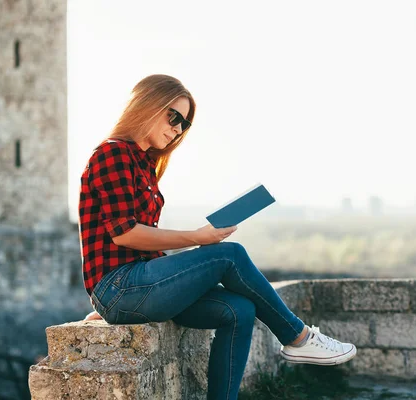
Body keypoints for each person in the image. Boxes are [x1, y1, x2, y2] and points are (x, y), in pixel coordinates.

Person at [78, 74, 356, 400]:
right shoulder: (113, 154)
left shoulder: (145, 165)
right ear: (148, 104)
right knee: (229, 254)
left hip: (137, 289)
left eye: (185, 124)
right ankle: (297, 338)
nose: (178, 129)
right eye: (174, 117)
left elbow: (144, 250)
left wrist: (193, 268)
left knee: (239, 310)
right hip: (120, 286)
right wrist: (197, 240)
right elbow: (125, 235)